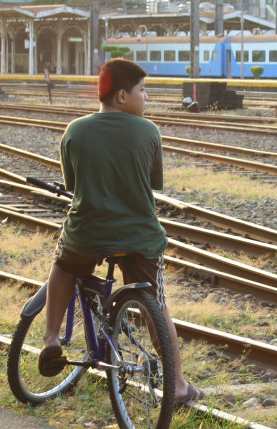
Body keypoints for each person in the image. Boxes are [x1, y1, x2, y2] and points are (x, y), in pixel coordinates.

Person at [38, 58, 204, 404]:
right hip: (138, 236)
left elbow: (73, 184)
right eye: (144, 91)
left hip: (87, 233)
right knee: (156, 307)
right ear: (124, 96)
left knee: (65, 266)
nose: (147, 98)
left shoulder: (75, 130)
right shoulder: (148, 131)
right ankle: (178, 386)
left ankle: (51, 338)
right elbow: (152, 182)